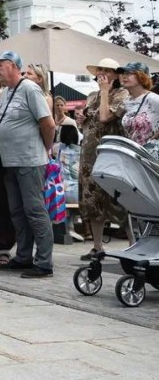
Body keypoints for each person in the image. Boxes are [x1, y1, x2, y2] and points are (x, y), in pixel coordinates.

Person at [0, 50, 55, 279]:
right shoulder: (6, 92)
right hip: (10, 161)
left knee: (35, 210)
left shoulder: (29, 88)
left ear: (13, 66)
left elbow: (48, 123)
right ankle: (24, 256)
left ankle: (44, 262)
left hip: (29, 160)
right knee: (17, 212)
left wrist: (45, 148)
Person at [77, 58, 129, 260]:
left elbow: (105, 117)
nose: (102, 74)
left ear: (116, 74)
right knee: (92, 200)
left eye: (107, 70)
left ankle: (132, 244)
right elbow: (89, 125)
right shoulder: (91, 96)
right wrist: (82, 119)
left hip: (111, 154)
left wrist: (106, 91)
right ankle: (97, 247)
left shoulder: (122, 94)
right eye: (100, 69)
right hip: (90, 154)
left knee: (119, 199)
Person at [117, 62, 159, 154]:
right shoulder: (127, 101)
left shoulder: (152, 98)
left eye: (129, 73)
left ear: (141, 76)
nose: (124, 76)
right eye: (123, 73)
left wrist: (156, 136)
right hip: (132, 154)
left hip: (151, 157)